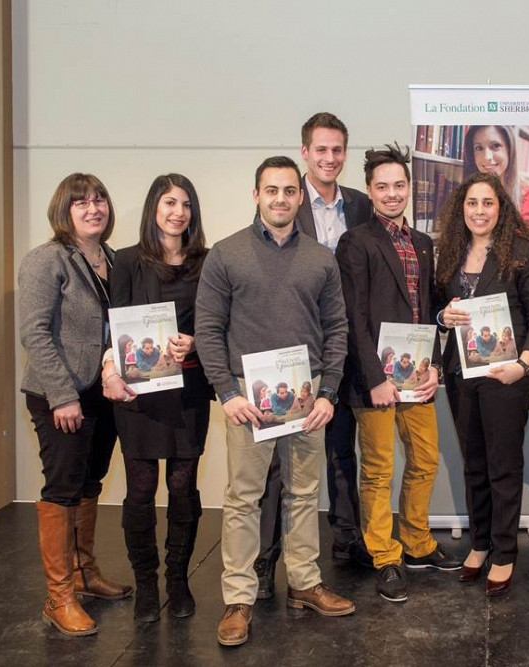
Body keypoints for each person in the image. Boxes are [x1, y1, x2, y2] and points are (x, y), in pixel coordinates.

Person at [198, 155, 355, 647]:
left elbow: (336, 329)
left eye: (290, 191)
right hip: (247, 401)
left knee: (305, 494)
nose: (281, 199)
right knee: (243, 499)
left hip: (307, 399)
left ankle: (305, 584)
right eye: (272, 191)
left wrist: (329, 391)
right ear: (256, 195)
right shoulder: (225, 254)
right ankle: (239, 599)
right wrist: (226, 393)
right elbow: (207, 331)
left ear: (297, 197)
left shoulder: (320, 258)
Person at [335, 144, 461, 604]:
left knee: (425, 461)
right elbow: (355, 316)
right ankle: (385, 555)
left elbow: (426, 311)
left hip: (417, 377)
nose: (392, 194)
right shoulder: (357, 242)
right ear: (369, 191)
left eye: (399, 185)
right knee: (378, 471)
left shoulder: (423, 243)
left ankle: (417, 542)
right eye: (382, 186)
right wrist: (374, 378)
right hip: (375, 381)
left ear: (410, 188)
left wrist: (432, 368)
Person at [255, 113, 373, 600]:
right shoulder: (284, 202)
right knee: (278, 467)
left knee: (343, 447)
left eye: (337, 150)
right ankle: (265, 562)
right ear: (305, 153)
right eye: (320, 150)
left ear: (345, 153)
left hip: (344, 344)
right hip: (291, 353)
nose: (329, 158)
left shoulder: (362, 207)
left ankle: (347, 539)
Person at [19, 173, 133, 637]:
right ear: (64, 210)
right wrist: (63, 396)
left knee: (90, 481)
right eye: (82, 202)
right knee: (62, 488)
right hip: (59, 393)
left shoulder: (111, 259)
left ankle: (86, 575)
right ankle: (58, 596)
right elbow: (35, 333)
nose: (93, 209)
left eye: (100, 199)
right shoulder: (46, 261)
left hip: (101, 391)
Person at [99, 173, 213, 622]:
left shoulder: (208, 261)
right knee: (141, 490)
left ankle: (178, 580)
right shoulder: (126, 261)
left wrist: (196, 343)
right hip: (141, 395)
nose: (178, 212)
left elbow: (215, 324)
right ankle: (146, 584)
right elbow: (113, 327)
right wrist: (110, 369)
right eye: (169, 202)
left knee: (184, 487)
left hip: (188, 393)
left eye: (185, 203)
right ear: (154, 208)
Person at [435, 172, 529, 596]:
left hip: (507, 376)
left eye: (487, 203)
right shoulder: (449, 252)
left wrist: (523, 365)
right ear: (460, 209)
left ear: (501, 207)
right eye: (471, 203)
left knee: (503, 466)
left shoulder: (522, 252)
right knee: (473, 463)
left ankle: (504, 552)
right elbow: (437, 309)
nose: (479, 211)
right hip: (460, 374)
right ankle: (480, 543)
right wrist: (442, 318)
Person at [462, 125, 529, 244]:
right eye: (479, 148)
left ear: (509, 149)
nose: (487, 157)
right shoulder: (464, 198)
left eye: (495, 146)